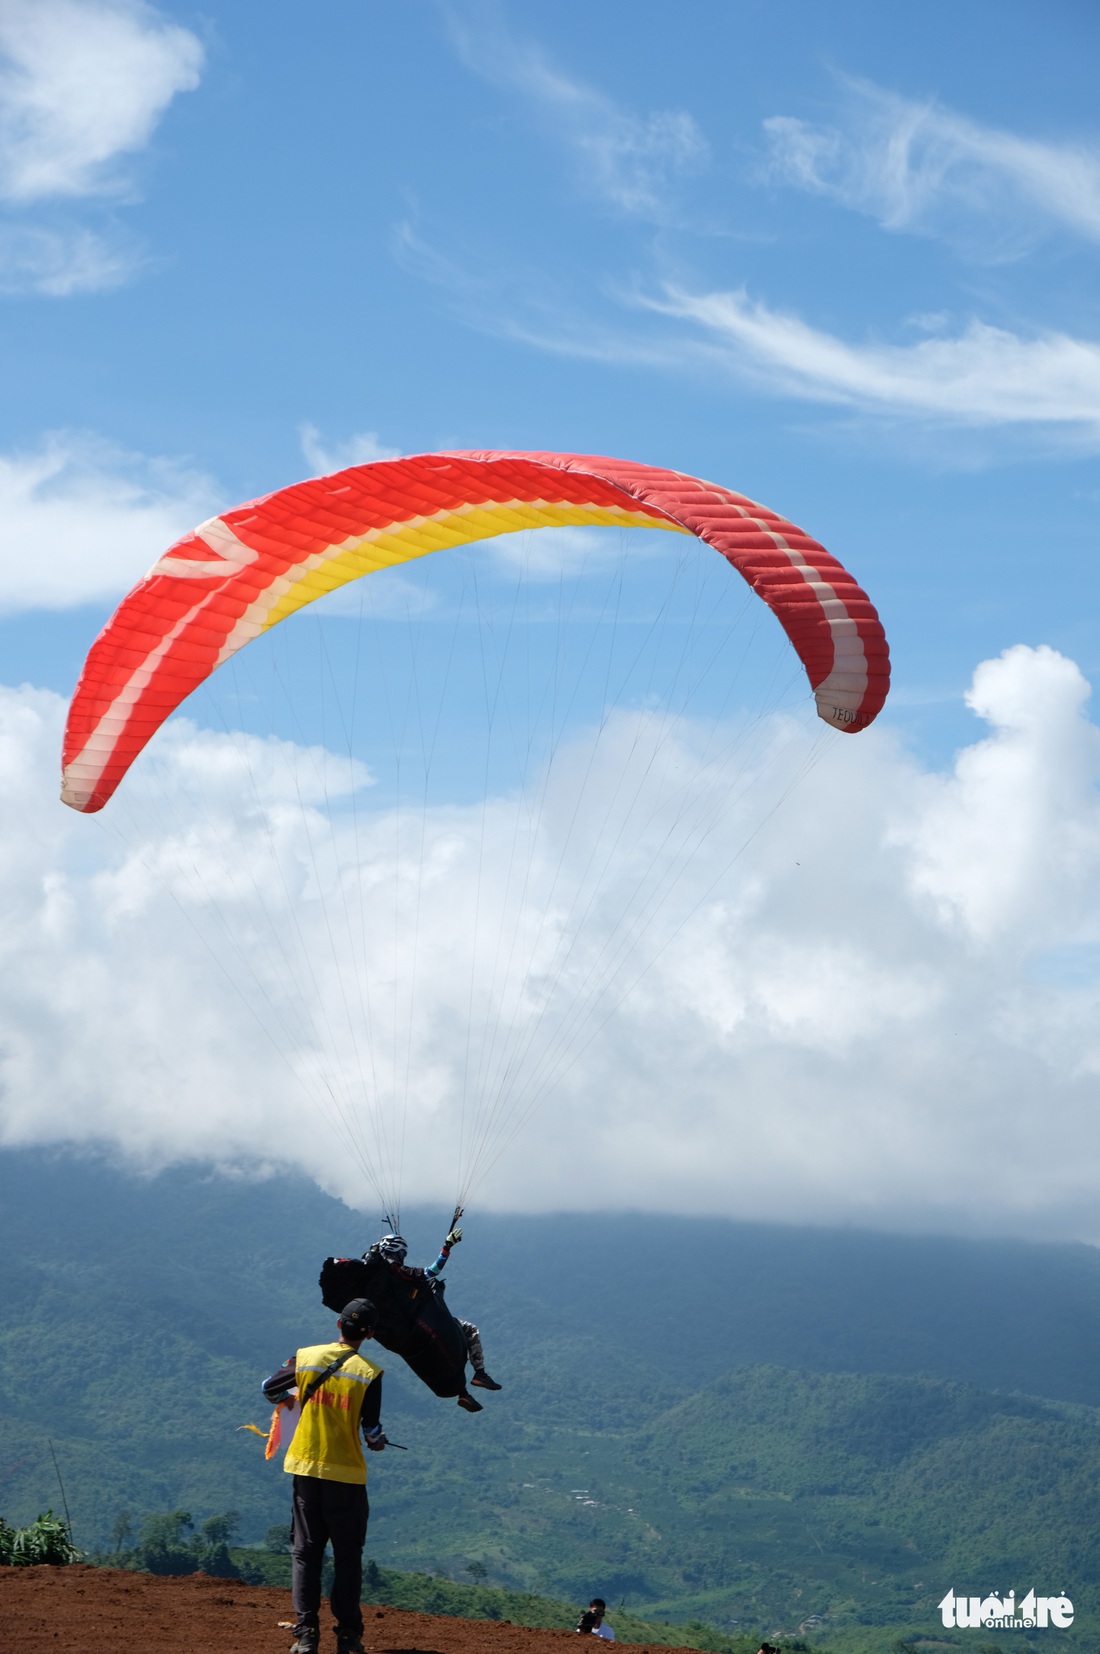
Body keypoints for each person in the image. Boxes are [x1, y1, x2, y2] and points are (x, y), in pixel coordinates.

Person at [262, 1297, 387, 1654]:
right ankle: (348, 1637)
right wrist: (379, 1442)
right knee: (348, 1557)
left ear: (338, 1324)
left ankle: (306, 1635)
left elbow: (268, 1389)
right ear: (370, 1335)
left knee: (306, 1553)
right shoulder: (369, 1373)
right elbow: (372, 1434)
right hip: (346, 1475)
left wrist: (296, 1391)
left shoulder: (305, 1357)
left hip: (305, 1467)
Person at [362, 1228, 502, 1410]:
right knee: (469, 1329)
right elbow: (431, 1271)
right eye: (402, 1253)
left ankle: (463, 1393)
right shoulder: (395, 1269)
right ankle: (480, 1373)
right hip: (421, 1319)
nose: (403, 1257)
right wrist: (447, 1247)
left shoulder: (373, 1272)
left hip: (394, 1328)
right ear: (395, 1250)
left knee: (437, 1353)